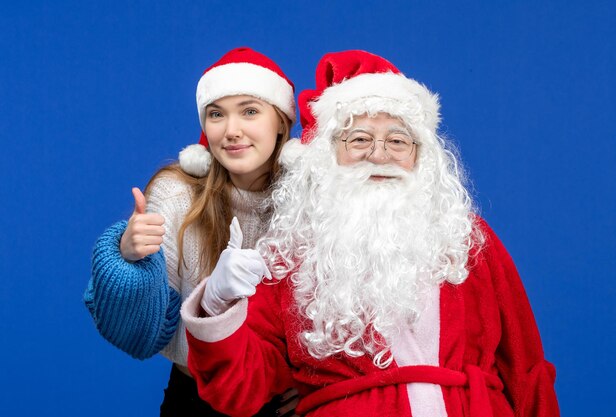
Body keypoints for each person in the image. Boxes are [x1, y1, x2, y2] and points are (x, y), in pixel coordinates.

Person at [180, 50, 561, 417]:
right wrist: (217, 304)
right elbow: (240, 390)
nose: (379, 155)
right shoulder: (295, 251)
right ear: (328, 153)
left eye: (397, 140)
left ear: (420, 154)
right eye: (359, 139)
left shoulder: (466, 237)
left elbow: (525, 371)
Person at [84, 47, 298, 416]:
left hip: (286, 406)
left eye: (249, 111)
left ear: (280, 121)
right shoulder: (178, 196)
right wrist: (127, 259)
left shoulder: (314, 203)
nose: (232, 131)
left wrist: (316, 383)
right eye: (217, 114)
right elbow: (140, 336)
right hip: (195, 400)